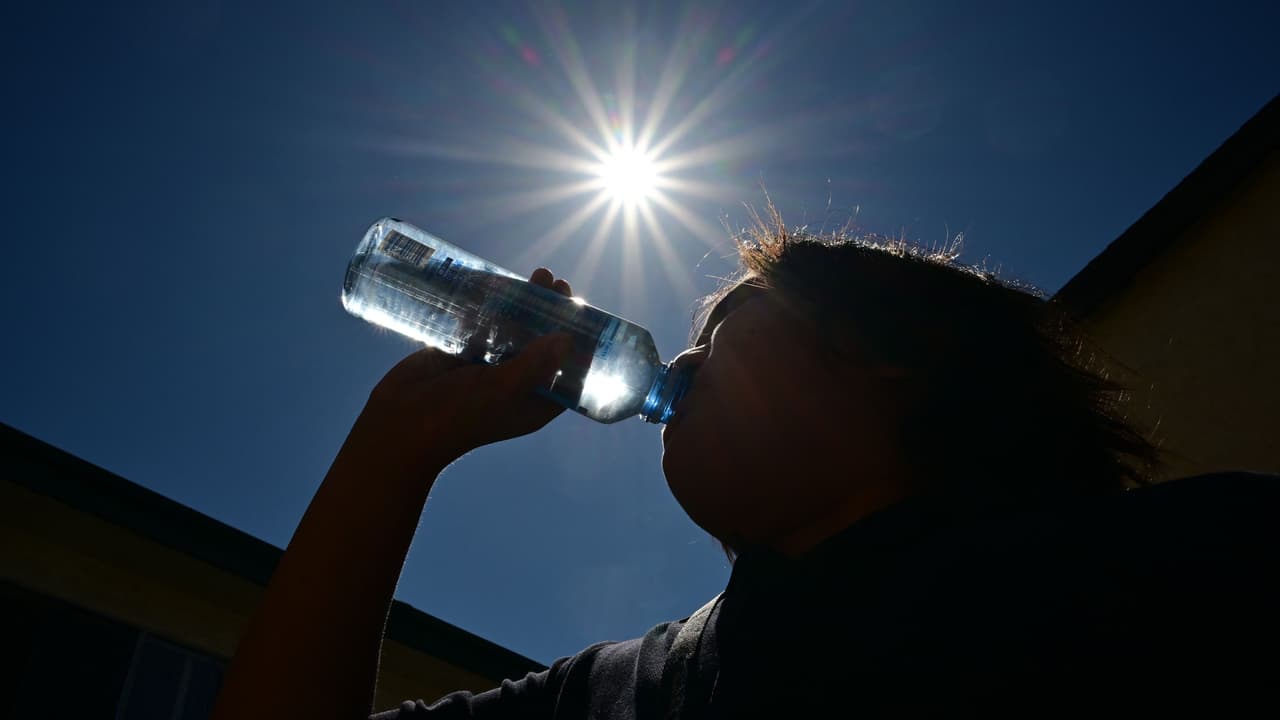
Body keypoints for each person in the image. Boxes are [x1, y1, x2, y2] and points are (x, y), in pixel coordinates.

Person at [212, 211, 1279, 719]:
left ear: (890, 360)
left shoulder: (1194, 571)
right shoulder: (623, 691)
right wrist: (389, 453)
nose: (677, 359)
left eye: (723, 329)